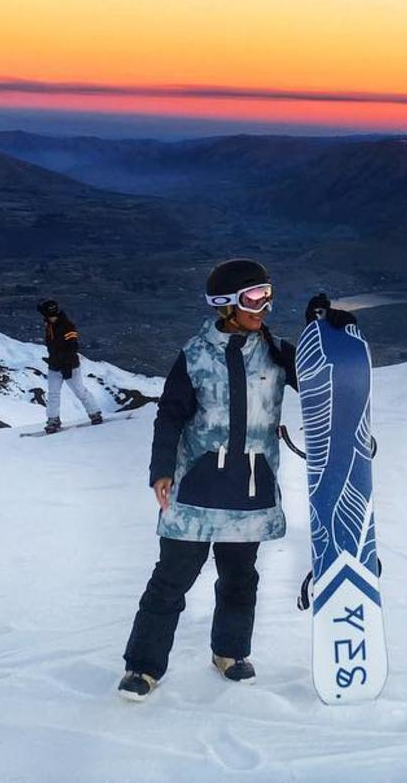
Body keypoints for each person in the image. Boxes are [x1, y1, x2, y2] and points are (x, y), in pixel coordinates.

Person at [117, 260, 353, 702]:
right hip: (198, 487)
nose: (263, 305)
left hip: (251, 486)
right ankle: (143, 667)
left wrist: (329, 334)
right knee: (171, 579)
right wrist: (161, 470)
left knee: (240, 577)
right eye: (252, 297)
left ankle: (230, 652)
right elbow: (169, 416)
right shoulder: (195, 355)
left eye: (267, 294)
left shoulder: (277, 350)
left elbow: (323, 383)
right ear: (225, 305)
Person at [37, 298, 102, 433]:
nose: (48, 318)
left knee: (79, 390)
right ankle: (53, 420)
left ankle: (94, 413)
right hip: (55, 366)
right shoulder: (49, 325)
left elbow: (73, 347)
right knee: (53, 394)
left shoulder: (67, 326)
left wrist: (67, 365)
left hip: (70, 365)